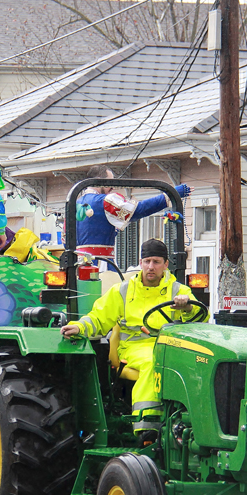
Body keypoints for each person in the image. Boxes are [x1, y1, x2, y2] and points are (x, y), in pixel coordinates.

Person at [60, 239, 205, 445]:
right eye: (147, 261)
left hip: (172, 346)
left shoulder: (178, 291)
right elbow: (99, 317)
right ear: (140, 262)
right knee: (153, 362)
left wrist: (188, 308)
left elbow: (201, 318)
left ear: (166, 264)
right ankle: (148, 428)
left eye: (156, 261)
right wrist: (80, 327)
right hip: (135, 348)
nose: (150, 267)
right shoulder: (123, 291)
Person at [75, 165, 191, 258]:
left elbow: (66, 240)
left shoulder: (74, 204)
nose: (112, 187)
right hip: (101, 264)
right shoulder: (104, 202)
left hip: (79, 266)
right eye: (110, 182)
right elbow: (137, 210)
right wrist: (170, 195)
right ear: (99, 181)